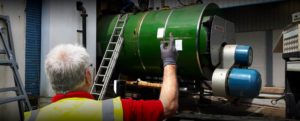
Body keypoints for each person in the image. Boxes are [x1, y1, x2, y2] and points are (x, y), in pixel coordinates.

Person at [24, 34, 178, 121]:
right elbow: (168, 106)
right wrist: (169, 62)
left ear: (52, 81)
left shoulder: (31, 117)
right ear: (88, 76)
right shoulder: (118, 110)